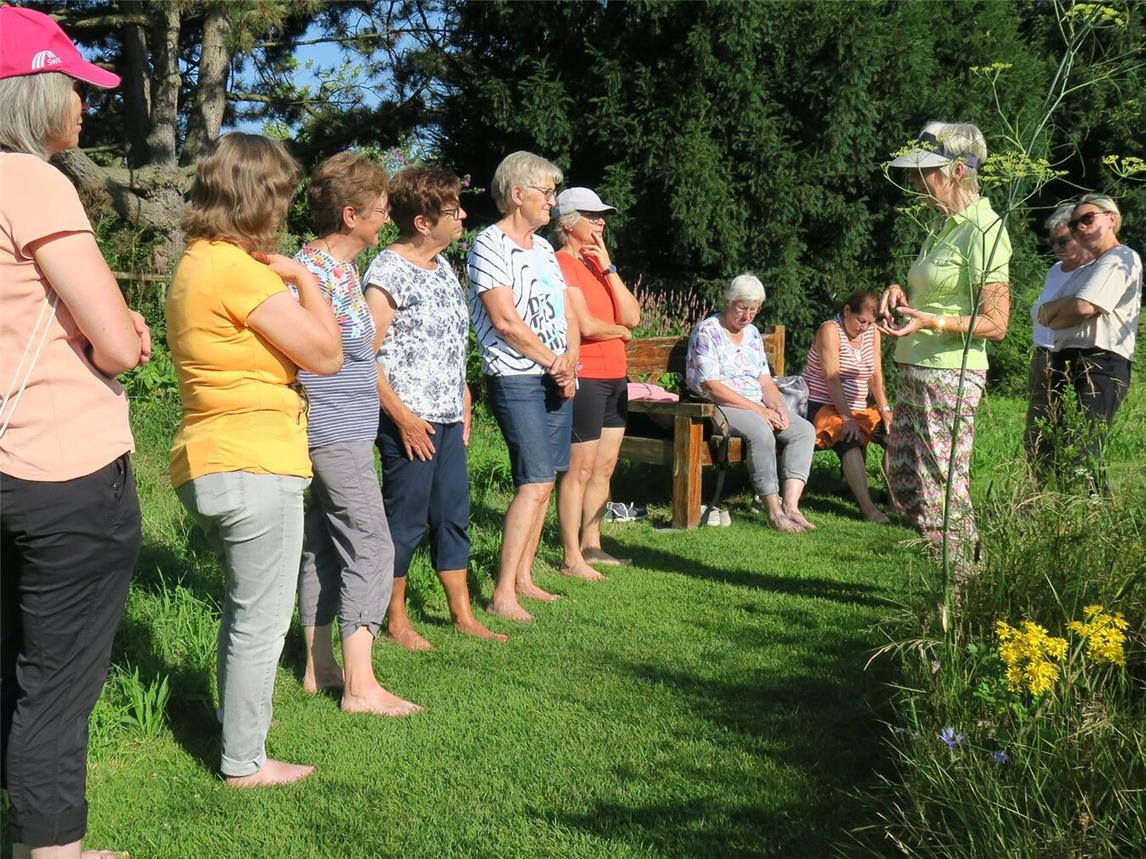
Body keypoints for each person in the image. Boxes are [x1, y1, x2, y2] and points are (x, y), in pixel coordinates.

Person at [0, 9, 150, 856]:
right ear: (35, 95)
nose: (84, 108)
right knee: (55, 680)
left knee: (12, 661)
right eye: (74, 91)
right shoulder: (32, 184)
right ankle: (51, 848)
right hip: (63, 466)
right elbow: (120, 346)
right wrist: (127, 328)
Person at [167, 132, 342, 787]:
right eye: (280, 197)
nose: (284, 211)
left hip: (212, 457)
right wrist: (300, 275)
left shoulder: (196, 263)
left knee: (246, 610)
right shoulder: (237, 270)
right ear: (258, 198)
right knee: (262, 621)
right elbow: (326, 354)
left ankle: (236, 730)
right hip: (252, 460)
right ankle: (244, 761)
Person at [292, 152, 421, 714]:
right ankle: (362, 687)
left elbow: (357, 355)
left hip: (347, 428)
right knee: (371, 542)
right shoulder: (309, 271)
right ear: (351, 215)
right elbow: (296, 355)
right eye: (379, 205)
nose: (387, 212)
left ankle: (320, 667)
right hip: (329, 430)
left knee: (322, 545)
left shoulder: (338, 271)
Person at [363, 164, 508, 649]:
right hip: (410, 421)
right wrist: (402, 418)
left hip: (448, 415)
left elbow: (446, 340)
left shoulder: (444, 265)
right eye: (453, 209)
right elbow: (366, 356)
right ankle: (396, 618)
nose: (463, 215)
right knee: (404, 520)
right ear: (423, 221)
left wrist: (463, 391)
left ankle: (462, 614)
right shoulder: (386, 271)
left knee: (452, 514)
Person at [879, 121, 1011, 570]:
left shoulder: (985, 230)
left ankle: (961, 589)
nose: (914, 181)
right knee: (905, 482)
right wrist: (901, 292)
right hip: (915, 367)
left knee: (940, 488)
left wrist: (931, 320)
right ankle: (950, 573)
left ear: (957, 170)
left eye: (924, 172)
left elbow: (996, 323)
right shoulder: (940, 225)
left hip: (949, 374)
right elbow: (933, 288)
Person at [467, 151, 580, 621]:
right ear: (518, 195)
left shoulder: (545, 252)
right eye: (547, 193)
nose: (553, 202)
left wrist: (570, 360)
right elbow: (506, 321)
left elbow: (565, 311)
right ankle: (501, 593)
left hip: (555, 374)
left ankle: (525, 578)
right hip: (516, 376)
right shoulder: (489, 244)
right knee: (533, 481)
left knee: (548, 478)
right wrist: (554, 361)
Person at [551, 188, 641, 579]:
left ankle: (593, 545)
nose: (601, 221)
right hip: (585, 376)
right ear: (569, 222)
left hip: (615, 377)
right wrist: (619, 330)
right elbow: (585, 325)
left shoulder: (598, 266)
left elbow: (633, 316)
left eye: (603, 214)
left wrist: (609, 267)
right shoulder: (560, 263)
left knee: (604, 468)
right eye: (592, 215)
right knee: (579, 470)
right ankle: (571, 555)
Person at [685, 274, 816, 532]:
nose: (746, 316)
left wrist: (778, 406)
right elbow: (711, 385)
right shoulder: (707, 331)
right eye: (741, 308)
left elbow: (765, 381)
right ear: (728, 301)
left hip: (756, 403)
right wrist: (759, 410)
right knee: (760, 430)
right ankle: (773, 511)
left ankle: (791, 506)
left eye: (753, 310)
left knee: (803, 431)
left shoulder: (753, 334)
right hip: (718, 404)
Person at [1038, 194, 1141, 488]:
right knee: (1064, 443)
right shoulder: (1086, 269)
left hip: (1101, 362)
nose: (1079, 227)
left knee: (1084, 448)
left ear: (1111, 219)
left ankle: (1095, 517)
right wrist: (1070, 308)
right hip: (1066, 358)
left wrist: (1068, 309)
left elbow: (1082, 308)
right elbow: (1043, 314)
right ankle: (1067, 513)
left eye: (1087, 218)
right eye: (1074, 223)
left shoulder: (1121, 258)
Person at [802, 289, 893, 523]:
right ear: (846, 311)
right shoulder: (830, 330)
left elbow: (875, 375)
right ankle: (868, 509)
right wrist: (847, 418)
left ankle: (895, 501)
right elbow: (832, 377)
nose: (864, 327)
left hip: (860, 407)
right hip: (823, 405)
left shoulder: (872, 332)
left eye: (869, 323)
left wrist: (885, 410)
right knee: (848, 438)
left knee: (897, 436)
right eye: (860, 321)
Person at [1025, 203, 1095, 473]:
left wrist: (1053, 312)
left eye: (1064, 240)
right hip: (1043, 355)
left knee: (1075, 433)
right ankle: (1040, 490)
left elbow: (1081, 310)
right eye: (1052, 242)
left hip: (1074, 357)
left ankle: (1077, 494)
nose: (1058, 247)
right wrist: (1056, 310)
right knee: (1038, 429)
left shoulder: (1093, 269)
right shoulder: (1055, 270)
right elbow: (1042, 313)